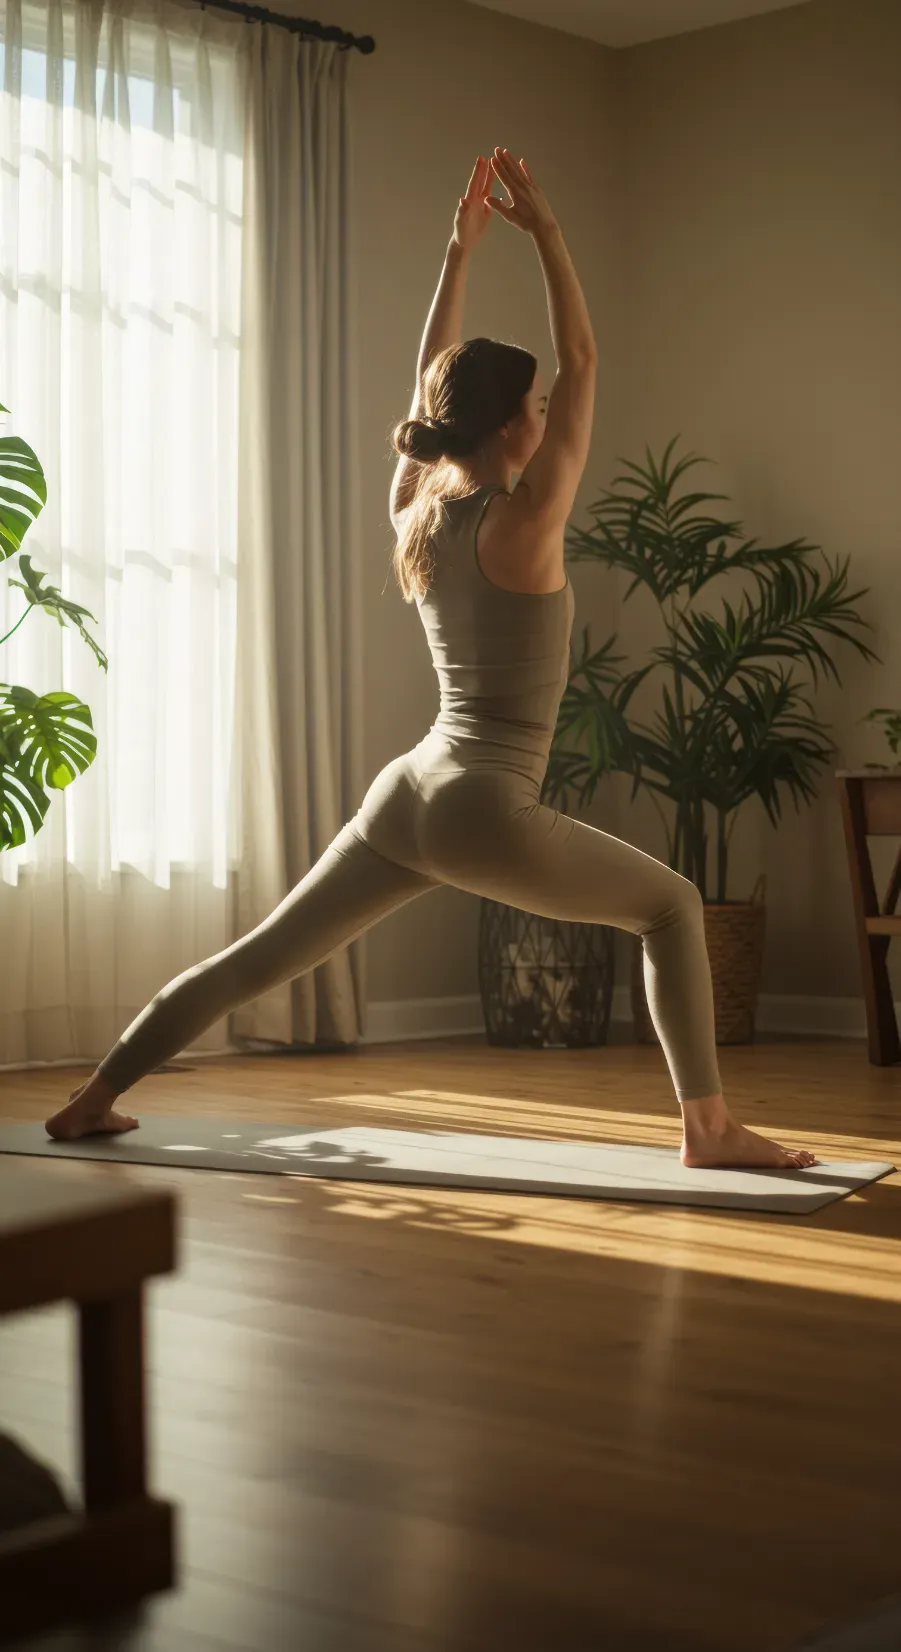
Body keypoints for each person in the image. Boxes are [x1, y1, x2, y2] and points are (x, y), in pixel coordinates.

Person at [46, 148, 817, 1171]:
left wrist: (460, 253)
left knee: (256, 959)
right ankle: (708, 1129)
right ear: (507, 427)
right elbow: (583, 362)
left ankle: (93, 1096)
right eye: (533, 408)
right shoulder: (526, 520)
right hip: (481, 803)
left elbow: (442, 383)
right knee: (671, 905)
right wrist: (545, 235)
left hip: (406, 793)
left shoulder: (414, 508)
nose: (547, 416)